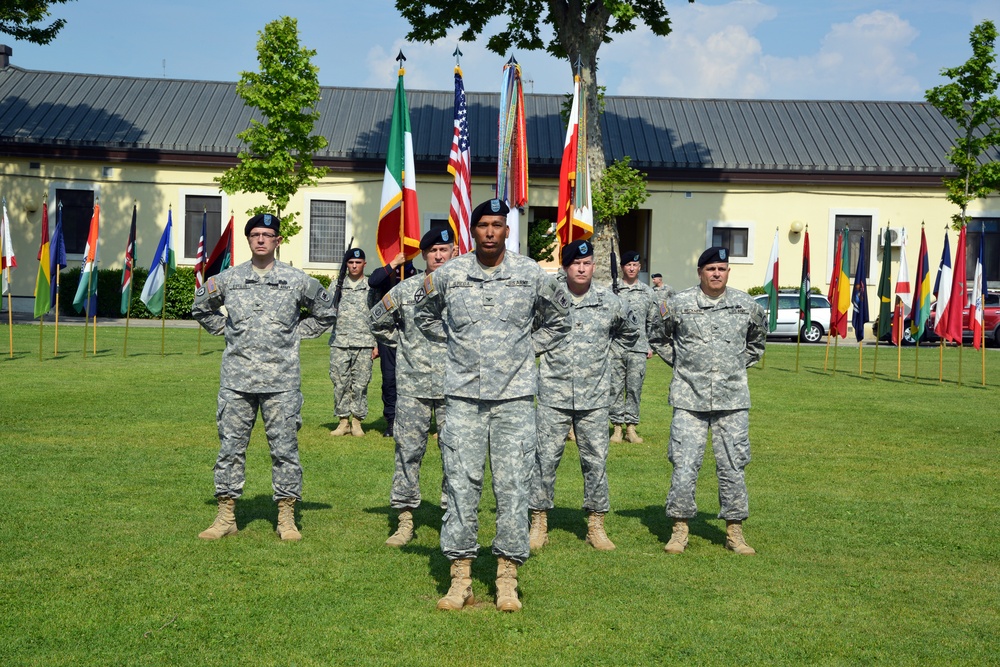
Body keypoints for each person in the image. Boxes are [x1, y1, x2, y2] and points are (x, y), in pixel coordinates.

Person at [415, 198, 570, 612]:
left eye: (497, 225)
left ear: (506, 231)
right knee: (461, 486)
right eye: (482, 224)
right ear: (473, 229)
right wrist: (455, 347)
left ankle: (506, 578)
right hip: (463, 398)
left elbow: (561, 318)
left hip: (514, 400)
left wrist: (526, 348)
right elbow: (422, 315)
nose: (489, 231)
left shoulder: (530, 274)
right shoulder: (450, 274)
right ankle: (461, 578)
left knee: (513, 487)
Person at [192, 213, 337, 542]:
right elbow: (201, 307)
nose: (260, 239)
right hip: (237, 381)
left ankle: (286, 517)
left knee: (285, 450)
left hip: (281, 382)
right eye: (255, 234)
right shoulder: (228, 279)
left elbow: (327, 312)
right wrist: (227, 330)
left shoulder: (297, 280)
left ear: (277, 241)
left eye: (267, 235)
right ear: (248, 240)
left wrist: (297, 333)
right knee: (230, 449)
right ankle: (226, 515)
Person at [648, 246, 767, 556]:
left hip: (732, 400)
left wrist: (736, 366)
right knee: (684, 465)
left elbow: (757, 343)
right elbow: (658, 336)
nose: (717, 274)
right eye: (711, 269)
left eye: (722, 269)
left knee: (733, 465)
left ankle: (734, 532)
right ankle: (679, 529)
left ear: (728, 272)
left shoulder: (746, 305)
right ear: (700, 272)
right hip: (689, 399)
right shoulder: (678, 304)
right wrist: (682, 363)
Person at [529, 240, 639, 552]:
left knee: (595, 462)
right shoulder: (550, 297)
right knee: (544, 460)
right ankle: (539, 522)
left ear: (593, 265)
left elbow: (630, 333)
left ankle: (596, 525)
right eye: (575, 263)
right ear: (565, 267)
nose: (581, 268)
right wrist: (539, 353)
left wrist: (605, 357)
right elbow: (530, 332)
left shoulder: (608, 299)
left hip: (594, 398)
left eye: (587, 263)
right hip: (553, 392)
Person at [370, 227, 453, 547]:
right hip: (413, 387)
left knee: (455, 456)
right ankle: (405, 521)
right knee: (408, 454)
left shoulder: (466, 289)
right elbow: (376, 320)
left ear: (453, 252)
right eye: (432, 251)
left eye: (443, 250)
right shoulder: (406, 290)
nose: (438, 255)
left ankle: (452, 517)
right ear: (423, 255)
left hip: (454, 388)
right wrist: (401, 342)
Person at [368, 251, 416, 438]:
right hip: (389, 337)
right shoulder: (386, 276)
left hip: (412, 337)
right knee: (389, 381)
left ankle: (412, 421)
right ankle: (391, 421)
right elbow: (373, 281)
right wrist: (393, 264)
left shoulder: (417, 275)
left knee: (413, 381)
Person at [609, 250, 655, 444]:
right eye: (628, 265)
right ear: (622, 268)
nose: (632, 268)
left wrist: (650, 344)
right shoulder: (612, 289)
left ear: (639, 267)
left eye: (635, 265)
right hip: (616, 346)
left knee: (635, 388)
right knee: (615, 387)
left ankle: (631, 428)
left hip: (638, 346)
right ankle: (617, 428)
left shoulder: (647, 292)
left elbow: (652, 321)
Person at [329, 247, 375, 437]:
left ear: (364, 264)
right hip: (340, 342)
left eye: (358, 262)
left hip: (364, 342)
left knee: (360, 384)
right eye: (351, 262)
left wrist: (376, 343)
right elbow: (327, 310)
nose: (354, 265)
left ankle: (357, 421)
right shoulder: (336, 286)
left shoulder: (371, 286)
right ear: (346, 264)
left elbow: (377, 316)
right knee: (340, 382)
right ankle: (343, 422)